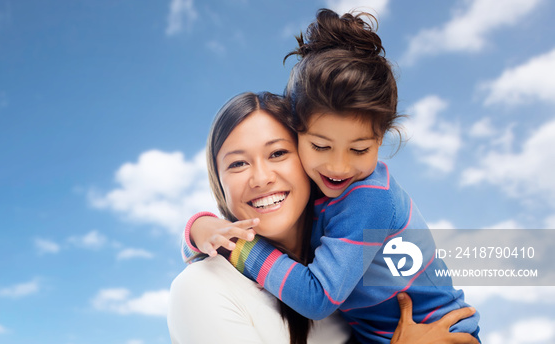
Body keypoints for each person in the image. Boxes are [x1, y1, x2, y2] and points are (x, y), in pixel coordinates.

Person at [181, 9, 480, 344]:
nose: (339, 168)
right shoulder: (319, 196)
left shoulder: (368, 198)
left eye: (359, 150)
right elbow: (205, 245)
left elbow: (316, 298)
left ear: (381, 140)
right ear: (298, 132)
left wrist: (238, 246)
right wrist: (201, 228)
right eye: (321, 146)